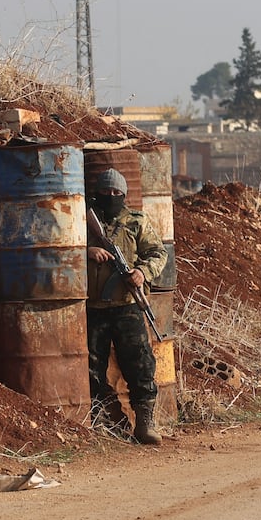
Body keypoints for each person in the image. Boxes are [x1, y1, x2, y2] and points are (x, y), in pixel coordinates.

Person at [85, 168, 169, 446]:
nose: (111, 197)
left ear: (124, 195)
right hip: (93, 307)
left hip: (127, 305)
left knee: (140, 363)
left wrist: (142, 272)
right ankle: (104, 418)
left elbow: (158, 253)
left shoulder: (136, 221)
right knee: (91, 366)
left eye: (116, 193)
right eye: (106, 192)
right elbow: (59, 247)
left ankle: (145, 422)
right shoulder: (83, 219)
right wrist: (87, 252)